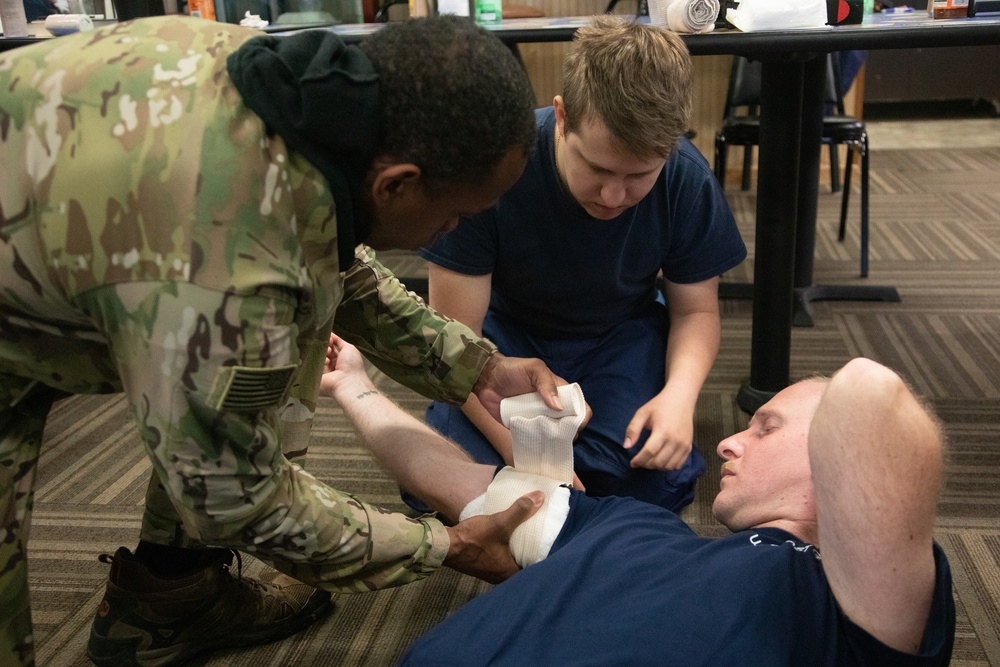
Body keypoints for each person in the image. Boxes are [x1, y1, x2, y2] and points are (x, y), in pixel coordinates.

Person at [0, 15, 569, 667]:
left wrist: (478, 366)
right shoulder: (227, 273)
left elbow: (326, 248)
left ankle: (168, 601)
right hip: (78, 267)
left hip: (52, 224)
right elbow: (234, 493)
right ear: (397, 183)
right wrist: (446, 546)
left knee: (270, 358)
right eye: (457, 214)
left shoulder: (286, 88)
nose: (452, 228)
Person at [320, 335, 955, 666]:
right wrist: (354, 389)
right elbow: (455, 481)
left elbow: (868, 392)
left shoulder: (856, 610)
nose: (730, 441)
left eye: (766, 427)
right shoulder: (629, 524)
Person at [412, 15, 747, 514]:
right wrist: (517, 451)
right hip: (505, 338)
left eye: (639, 176)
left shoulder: (686, 179)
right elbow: (453, 339)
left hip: (617, 334)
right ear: (563, 116)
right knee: (450, 469)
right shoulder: (495, 169)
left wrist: (680, 397)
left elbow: (696, 311)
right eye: (597, 168)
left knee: (656, 474)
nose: (615, 196)